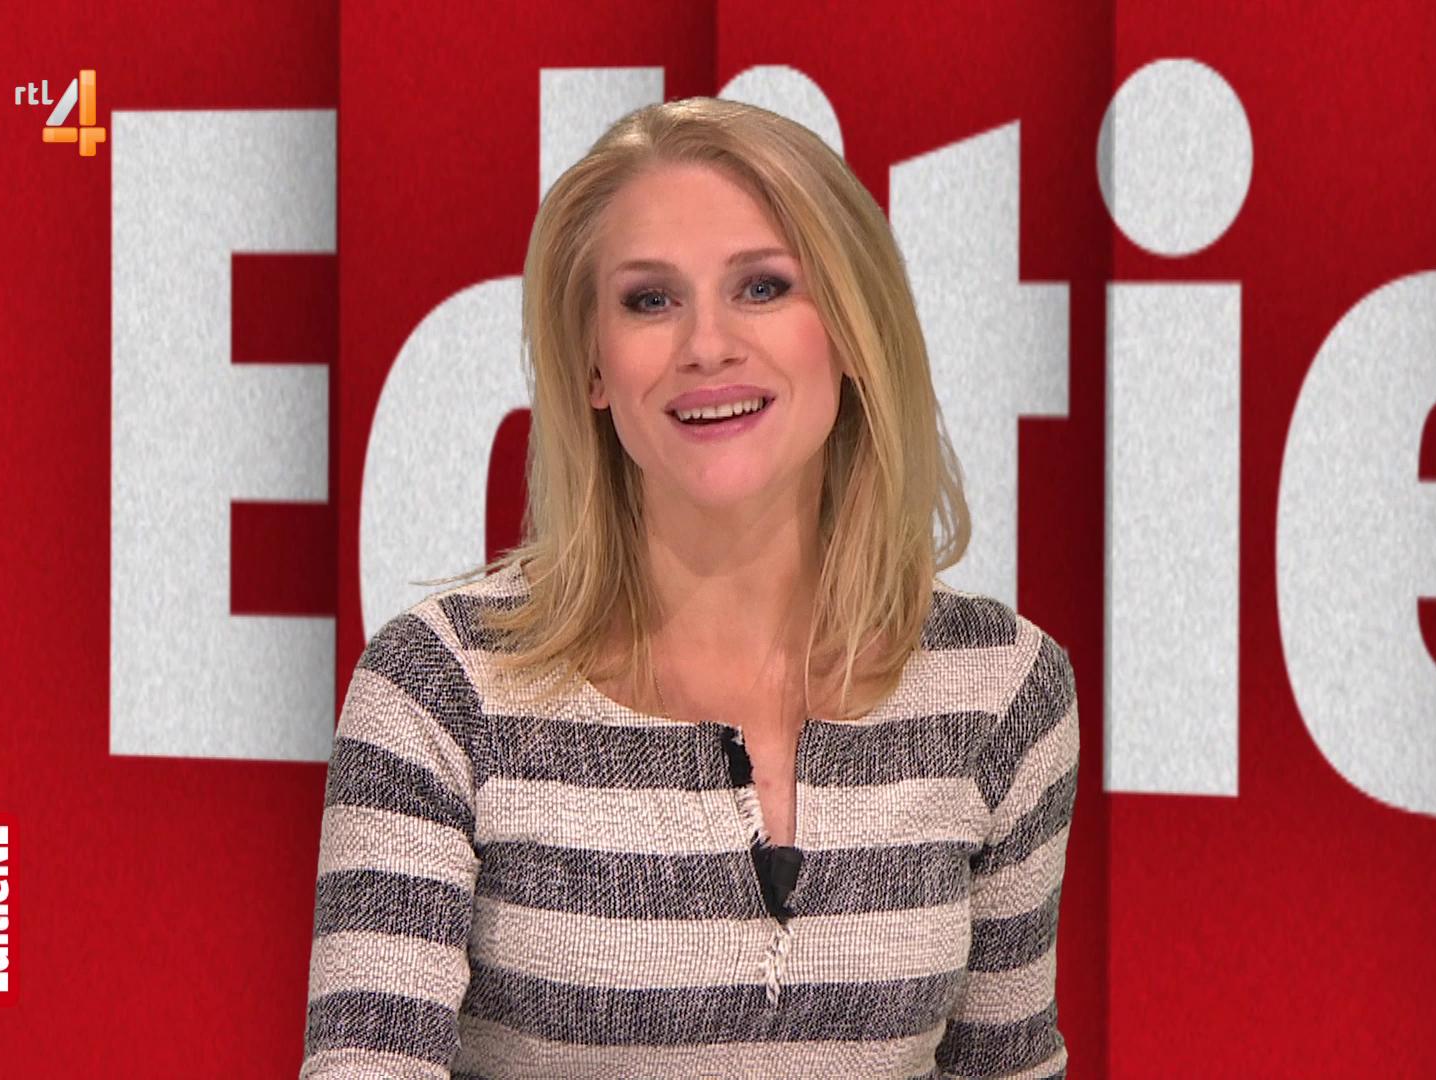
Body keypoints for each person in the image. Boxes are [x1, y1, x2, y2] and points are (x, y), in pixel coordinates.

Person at [300, 96, 1079, 1079]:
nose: (707, 344)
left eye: (762, 287)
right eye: (650, 301)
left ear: (851, 330)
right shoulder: (442, 689)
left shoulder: (1003, 690)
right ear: (592, 365)